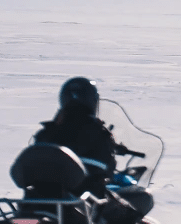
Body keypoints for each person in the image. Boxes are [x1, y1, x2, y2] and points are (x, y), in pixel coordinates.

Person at [33, 77, 152, 224]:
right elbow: (108, 170)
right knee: (128, 215)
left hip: (36, 200)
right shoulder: (98, 132)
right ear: (92, 100)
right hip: (83, 200)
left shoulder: (46, 132)